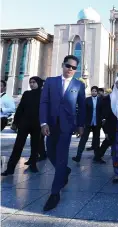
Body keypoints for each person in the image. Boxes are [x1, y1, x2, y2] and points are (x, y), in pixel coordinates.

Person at [40, 55, 86, 211]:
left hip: (67, 127)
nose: (70, 69)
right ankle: (65, 171)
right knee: (50, 153)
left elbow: (82, 106)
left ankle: (55, 193)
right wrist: (43, 122)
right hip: (50, 125)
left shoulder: (79, 85)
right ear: (63, 65)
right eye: (68, 66)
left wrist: (80, 125)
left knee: (61, 158)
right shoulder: (50, 81)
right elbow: (44, 102)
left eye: (74, 68)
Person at [2, 77, 44, 175]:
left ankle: (33, 165)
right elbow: (20, 108)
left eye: (34, 82)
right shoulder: (26, 94)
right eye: (30, 82)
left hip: (37, 124)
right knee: (18, 146)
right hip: (24, 124)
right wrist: (15, 123)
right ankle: (10, 168)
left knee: (35, 146)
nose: (31, 84)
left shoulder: (44, 95)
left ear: (39, 83)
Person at [72, 86, 102, 162]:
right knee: (83, 139)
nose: (93, 92)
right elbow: (83, 112)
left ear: (97, 92)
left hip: (97, 123)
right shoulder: (87, 100)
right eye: (92, 91)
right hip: (88, 123)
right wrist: (81, 124)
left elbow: (102, 111)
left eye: (95, 91)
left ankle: (97, 157)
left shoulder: (100, 100)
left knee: (96, 140)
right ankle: (78, 156)